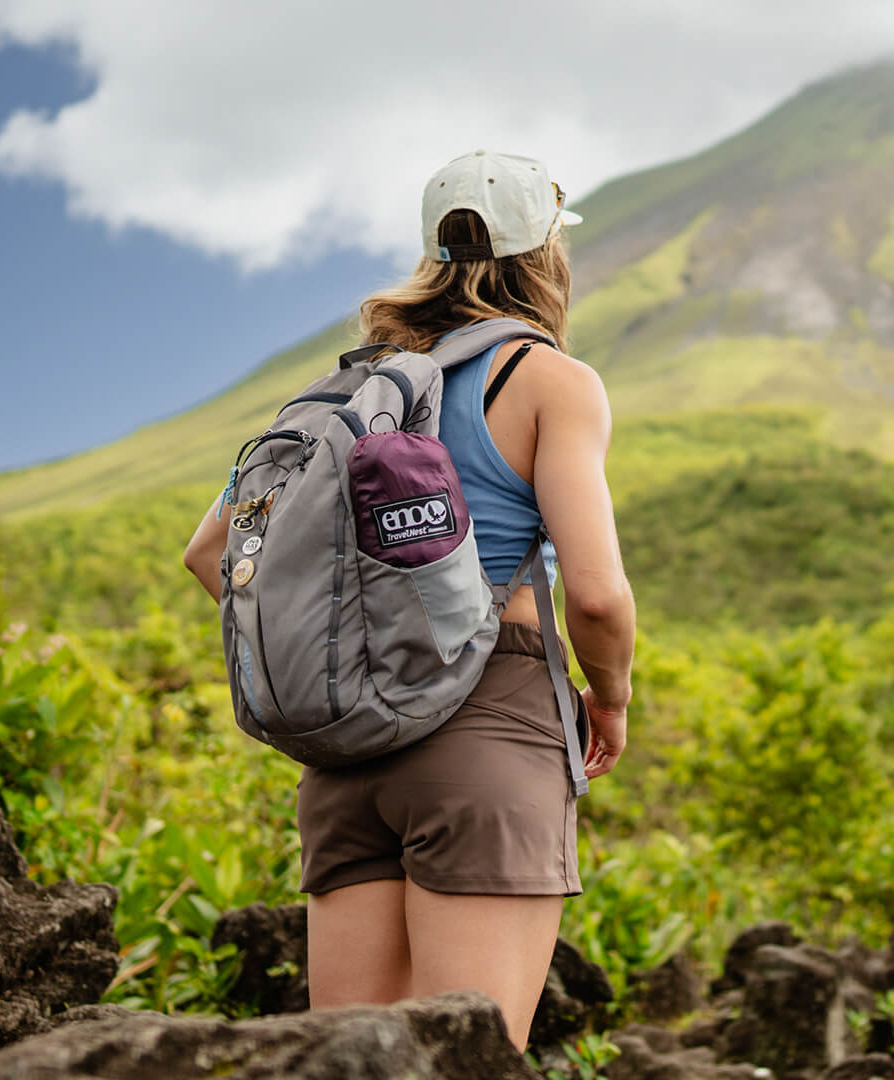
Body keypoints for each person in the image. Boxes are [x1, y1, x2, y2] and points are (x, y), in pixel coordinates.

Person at [184, 149, 635, 1052]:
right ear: (547, 253)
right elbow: (593, 593)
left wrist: (357, 654)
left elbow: (211, 554)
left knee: (356, 1065)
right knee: (463, 1062)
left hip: (347, 760)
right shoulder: (550, 381)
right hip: (488, 729)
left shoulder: (357, 385)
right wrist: (611, 701)